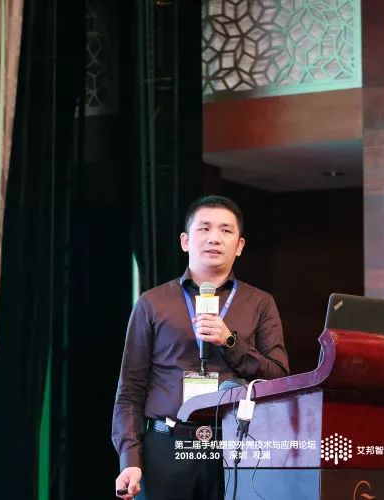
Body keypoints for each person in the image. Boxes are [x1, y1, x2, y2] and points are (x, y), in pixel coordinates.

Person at [112, 195, 289, 500]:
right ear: (185, 241)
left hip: (234, 448)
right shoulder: (153, 303)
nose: (214, 238)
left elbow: (279, 378)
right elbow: (130, 390)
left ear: (239, 246)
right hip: (167, 446)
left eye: (225, 230)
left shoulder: (260, 303)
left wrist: (230, 342)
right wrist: (130, 458)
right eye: (204, 228)